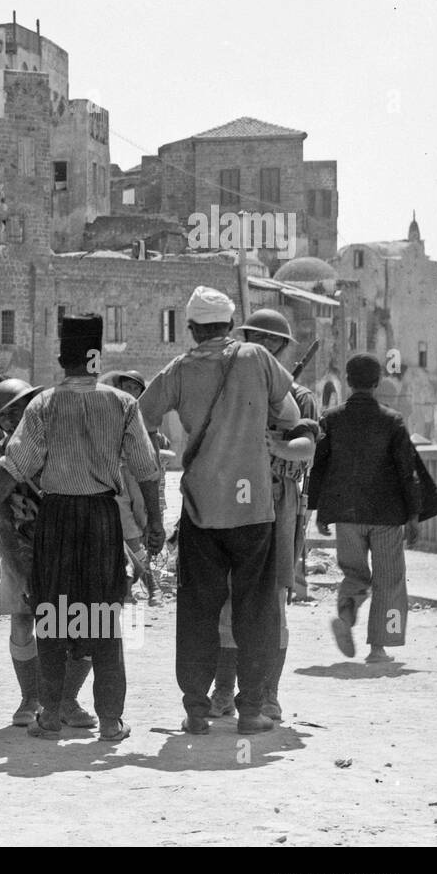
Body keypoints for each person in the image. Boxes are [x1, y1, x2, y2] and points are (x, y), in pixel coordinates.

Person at [0, 317, 163, 742]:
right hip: (101, 520)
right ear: (96, 359)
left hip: (57, 519)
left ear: (61, 360)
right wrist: (155, 521)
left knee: (52, 614)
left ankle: (49, 715)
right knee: (104, 618)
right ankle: (110, 722)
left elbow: (15, 466)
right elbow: (146, 467)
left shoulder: (44, 403)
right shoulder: (123, 404)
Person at [138, 287, 297, 735]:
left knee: (198, 611)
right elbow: (287, 414)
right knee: (256, 610)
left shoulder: (180, 368)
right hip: (254, 511)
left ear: (191, 329)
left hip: (202, 510)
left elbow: (139, 419)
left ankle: (195, 709)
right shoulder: (257, 358)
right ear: (230, 325)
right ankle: (250, 710)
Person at [208, 310, 318, 720]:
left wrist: (278, 447)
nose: (262, 349)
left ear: (281, 349)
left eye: (270, 342)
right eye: (255, 340)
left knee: (272, 602)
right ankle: (223, 692)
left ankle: (267, 695)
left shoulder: (300, 397)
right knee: (228, 602)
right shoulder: (226, 392)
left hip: (277, 503)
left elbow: (307, 450)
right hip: (230, 504)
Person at [308, 353, 420, 664]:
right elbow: (406, 473)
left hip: (346, 516)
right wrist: (413, 516)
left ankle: (346, 614)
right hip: (386, 516)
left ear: (347, 380)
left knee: (354, 573)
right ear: (376, 382)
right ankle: (379, 648)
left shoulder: (330, 419)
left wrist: (319, 511)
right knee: (389, 579)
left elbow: (318, 468)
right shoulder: (393, 421)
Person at [0, 377, 45, 725]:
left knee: (70, 623)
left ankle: (62, 700)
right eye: (6, 416)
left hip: (64, 546)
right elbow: (0, 518)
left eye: (22, 409)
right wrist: (18, 568)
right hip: (21, 547)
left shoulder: (58, 445)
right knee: (22, 621)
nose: (15, 419)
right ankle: (29, 699)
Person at [100, 369, 168, 605]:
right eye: (126, 387)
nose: (130, 392)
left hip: (142, 480)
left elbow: (154, 452)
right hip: (118, 477)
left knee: (146, 527)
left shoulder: (145, 415)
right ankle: (150, 586)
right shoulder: (111, 411)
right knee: (129, 532)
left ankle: (133, 586)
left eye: (135, 388)